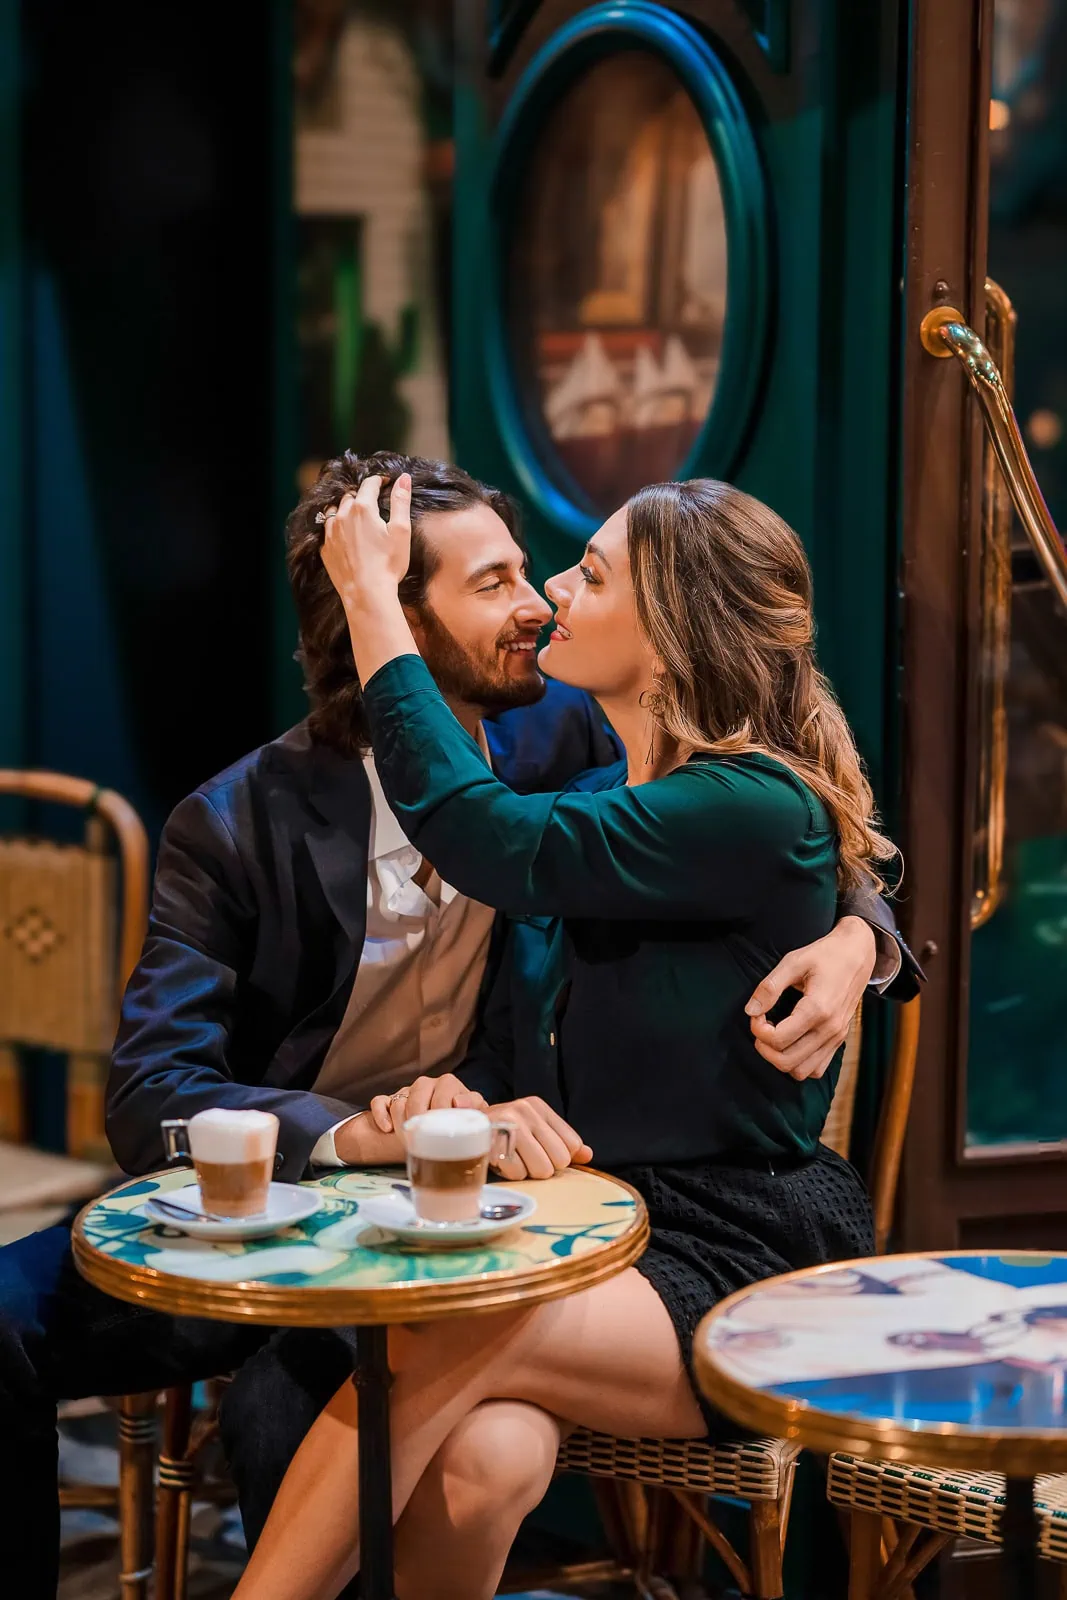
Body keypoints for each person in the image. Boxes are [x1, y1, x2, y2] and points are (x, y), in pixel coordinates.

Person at [0, 454, 915, 1600]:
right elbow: (150, 1098)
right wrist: (352, 1135)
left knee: (382, 1395)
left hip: (549, 1222)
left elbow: (787, 804)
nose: (538, 605)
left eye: (558, 572)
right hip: (298, 1197)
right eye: (496, 584)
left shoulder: (558, 750)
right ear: (389, 623)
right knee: (18, 1316)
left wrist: (859, 937)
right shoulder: (235, 823)